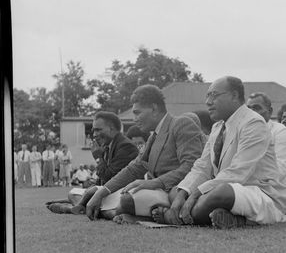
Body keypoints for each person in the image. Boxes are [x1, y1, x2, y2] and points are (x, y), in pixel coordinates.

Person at [152, 76, 286, 228]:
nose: (208, 102)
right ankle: (230, 218)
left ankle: (175, 215)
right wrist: (183, 194)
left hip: (259, 194)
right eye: (207, 96)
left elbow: (238, 173)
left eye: (214, 95)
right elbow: (202, 168)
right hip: (225, 189)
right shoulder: (217, 127)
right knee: (176, 191)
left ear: (235, 95)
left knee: (221, 192)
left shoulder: (253, 123)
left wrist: (196, 194)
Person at [82, 84, 205, 222]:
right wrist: (103, 191)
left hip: (176, 192)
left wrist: (155, 183)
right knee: (95, 193)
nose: (134, 119)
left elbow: (192, 166)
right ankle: (120, 212)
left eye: (137, 113)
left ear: (154, 108)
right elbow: (133, 169)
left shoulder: (181, 123)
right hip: (156, 193)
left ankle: (122, 213)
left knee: (127, 200)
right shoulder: (154, 136)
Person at [46, 111, 138, 213]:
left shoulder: (125, 146)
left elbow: (110, 179)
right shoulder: (107, 145)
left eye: (98, 130)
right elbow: (101, 181)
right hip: (105, 193)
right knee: (73, 193)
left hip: (120, 194)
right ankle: (80, 204)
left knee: (91, 193)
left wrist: (98, 158)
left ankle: (72, 208)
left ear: (111, 129)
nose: (94, 135)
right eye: (94, 130)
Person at [246, 92, 286, 187]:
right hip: (252, 187)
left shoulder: (280, 131)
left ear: (269, 111)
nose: (251, 112)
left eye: (256, 108)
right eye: (248, 108)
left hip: (278, 190)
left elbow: (281, 169)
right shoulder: (245, 133)